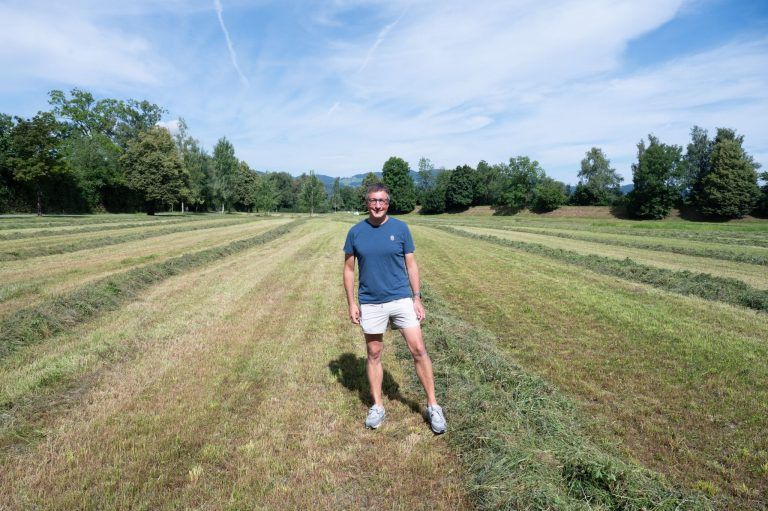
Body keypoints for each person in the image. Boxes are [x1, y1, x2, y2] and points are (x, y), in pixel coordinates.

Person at [343, 183, 446, 434]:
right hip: (371, 302)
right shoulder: (355, 232)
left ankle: (433, 406)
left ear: (388, 203)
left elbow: (411, 265)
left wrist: (417, 298)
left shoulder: (401, 229)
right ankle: (377, 406)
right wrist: (352, 303)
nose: (377, 205)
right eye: (373, 200)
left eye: (382, 201)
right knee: (374, 353)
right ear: (366, 202)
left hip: (401, 298)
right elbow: (348, 269)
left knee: (419, 349)